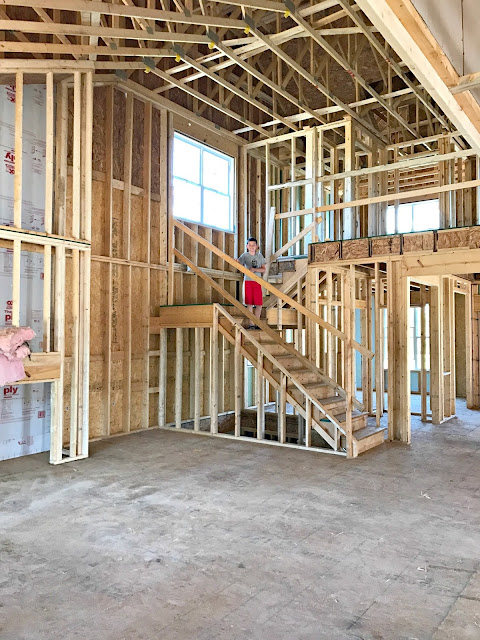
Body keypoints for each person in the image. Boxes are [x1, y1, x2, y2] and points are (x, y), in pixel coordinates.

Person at [237, 237, 266, 329]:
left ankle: (257, 322)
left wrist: (254, 269)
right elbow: (239, 264)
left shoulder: (259, 256)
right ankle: (251, 324)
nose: (252, 247)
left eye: (253, 245)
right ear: (247, 246)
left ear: (257, 246)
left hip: (257, 280)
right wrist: (236, 261)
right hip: (248, 281)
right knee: (249, 303)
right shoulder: (245, 256)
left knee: (259, 304)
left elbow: (263, 269)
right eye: (250, 245)